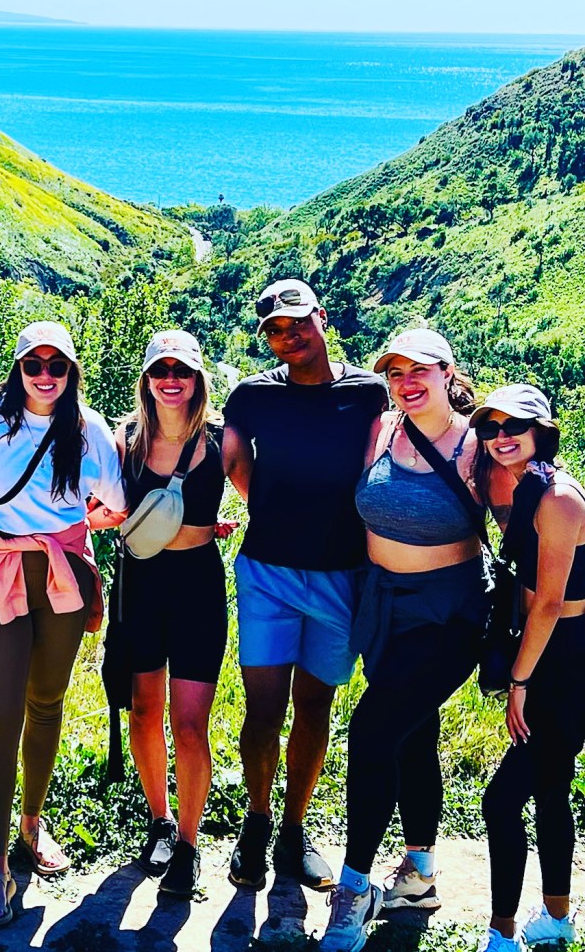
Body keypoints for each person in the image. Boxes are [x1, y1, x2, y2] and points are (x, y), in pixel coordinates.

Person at [0, 321, 126, 927]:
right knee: (0, 713)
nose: (45, 376)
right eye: (34, 365)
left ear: (71, 372)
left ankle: (31, 821)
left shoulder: (88, 428)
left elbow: (117, 500)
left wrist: (71, 529)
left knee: (46, 700)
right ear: (17, 368)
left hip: (63, 574)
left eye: (57, 366)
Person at [321, 328, 492, 951]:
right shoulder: (382, 431)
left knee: (370, 732)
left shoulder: (477, 447)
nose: (406, 383)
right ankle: (419, 873)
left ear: (449, 373)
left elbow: (524, 520)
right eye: (395, 373)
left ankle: (355, 886)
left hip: (448, 618)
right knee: (412, 735)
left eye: (420, 370)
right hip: (381, 608)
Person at [222, 280, 387, 892]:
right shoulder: (253, 394)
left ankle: (294, 829)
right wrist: (264, 508)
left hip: (343, 573)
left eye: (297, 323)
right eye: (274, 329)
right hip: (268, 570)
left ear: (322, 317)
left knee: (315, 706)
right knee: (263, 712)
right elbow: (234, 461)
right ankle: (257, 825)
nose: (287, 336)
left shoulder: (367, 392)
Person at [115, 330, 231, 897]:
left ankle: (188, 843)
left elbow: (269, 495)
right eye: (161, 370)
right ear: (146, 378)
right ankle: (160, 820)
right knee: (142, 710)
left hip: (197, 584)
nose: (170, 380)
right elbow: (98, 502)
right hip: (140, 582)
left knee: (189, 723)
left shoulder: (223, 440)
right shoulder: (126, 439)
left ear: (197, 379)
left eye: (181, 371)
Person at [471, 386, 585, 952]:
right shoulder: (526, 485)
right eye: (489, 428)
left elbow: (548, 602)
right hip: (552, 650)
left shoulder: (558, 499)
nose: (500, 436)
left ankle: (502, 933)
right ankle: (558, 920)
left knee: (501, 801)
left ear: (542, 429)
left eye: (514, 424)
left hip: (563, 658)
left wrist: (519, 681)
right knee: (549, 787)